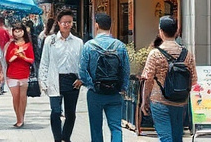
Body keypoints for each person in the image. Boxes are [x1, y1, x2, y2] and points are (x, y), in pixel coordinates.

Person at [141, 16, 198, 142]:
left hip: (159, 101)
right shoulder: (187, 54)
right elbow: (193, 80)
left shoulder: (155, 53)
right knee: (177, 138)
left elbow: (148, 79)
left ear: (160, 31)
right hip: (180, 101)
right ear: (176, 32)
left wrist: (144, 101)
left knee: (165, 137)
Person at [79, 12, 130, 142]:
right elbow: (126, 70)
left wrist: (92, 85)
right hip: (114, 92)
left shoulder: (89, 46)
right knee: (116, 128)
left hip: (95, 93)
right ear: (110, 26)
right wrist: (123, 87)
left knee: (96, 128)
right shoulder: (120, 46)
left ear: (96, 25)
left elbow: (82, 71)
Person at [39, 9, 83, 142]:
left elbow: (82, 62)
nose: (66, 25)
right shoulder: (50, 41)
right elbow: (44, 61)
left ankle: (66, 137)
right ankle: (57, 138)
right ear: (58, 23)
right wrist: (43, 80)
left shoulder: (78, 42)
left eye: (69, 22)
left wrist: (81, 78)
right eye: (64, 22)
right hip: (55, 79)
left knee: (71, 114)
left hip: (72, 80)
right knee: (56, 111)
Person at [4, 22, 35, 128]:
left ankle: (21, 118)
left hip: (24, 74)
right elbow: (8, 59)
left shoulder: (28, 45)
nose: (17, 33)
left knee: (23, 97)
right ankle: (18, 118)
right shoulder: (11, 45)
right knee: (15, 97)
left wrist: (23, 57)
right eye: (15, 31)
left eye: (19, 31)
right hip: (12, 74)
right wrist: (16, 55)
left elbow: (31, 60)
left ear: (23, 32)